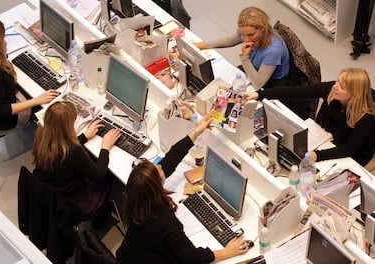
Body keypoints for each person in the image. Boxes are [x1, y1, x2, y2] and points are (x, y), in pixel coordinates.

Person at [116, 115, 251, 263]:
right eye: (159, 168)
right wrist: (227, 252)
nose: (161, 165)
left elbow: (170, 160)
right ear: (155, 187)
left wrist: (197, 132)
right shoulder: (164, 220)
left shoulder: (136, 198)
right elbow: (192, 258)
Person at [244, 67, 375, 166]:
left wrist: (317, 155)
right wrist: (260, 94)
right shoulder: (332, 90)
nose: (335, 87)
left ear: (354, 94)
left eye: (342, 87)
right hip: (323, 139)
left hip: (350, 157)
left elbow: (349, 149)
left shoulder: (365, 117)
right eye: (337, 81)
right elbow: (295, 92)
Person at [0, 19, 59, 135]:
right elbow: (4, 110)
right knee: (48, 104)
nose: (6, 42)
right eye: (2, 38)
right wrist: (38, 100)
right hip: (3, 121)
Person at [32, 101, 121, 216]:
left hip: (54, 191)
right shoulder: (73, 152)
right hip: (75, 202)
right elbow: (99, 177)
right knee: (109, 174)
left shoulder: (40, 136)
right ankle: (102, 212)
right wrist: (105, 147)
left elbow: (60, 146)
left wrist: (84, 136)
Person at [194, 6, 289, 90]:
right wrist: (203, 45)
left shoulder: (274, 50)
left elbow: (258, 84)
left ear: (262, 29)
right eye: (242, 34)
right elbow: (229, 41)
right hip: (252, 69)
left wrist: (244, 57)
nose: (246, 39)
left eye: (250, 35)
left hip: (271, 83)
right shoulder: (247, 31)